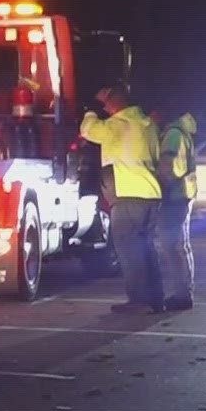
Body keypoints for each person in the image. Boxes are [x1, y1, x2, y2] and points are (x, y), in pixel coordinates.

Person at [80, 85, 163, 312]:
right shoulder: (148, 126)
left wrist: (90, 110)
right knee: (146, 249)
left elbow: (88, 130)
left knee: (130, 251)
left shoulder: (117, 125)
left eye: (106, 103)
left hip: (128, 195)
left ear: (115, 104)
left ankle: (139, 301)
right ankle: (156, 299)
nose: (105, 108)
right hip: (150, 194)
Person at [154, 110, 199, 311]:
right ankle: (184, 292)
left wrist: (158, 187)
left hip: (174, 198)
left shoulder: (173, 134)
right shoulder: (182, 132)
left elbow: (169, 168)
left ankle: (181, 295)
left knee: (172, 248)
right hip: (182, 196)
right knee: (180, 246)